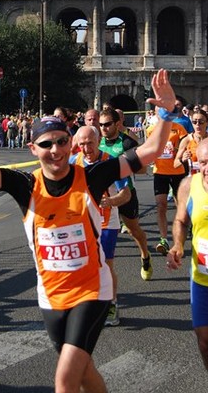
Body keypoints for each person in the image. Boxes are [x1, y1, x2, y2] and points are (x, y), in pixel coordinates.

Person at [0, 69, 177, 393]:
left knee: (65, 379)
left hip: (92, 290)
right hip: (51, 297)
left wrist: (166, 113)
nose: (54, 149)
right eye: (46, 144)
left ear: (70, 144)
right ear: (33, 148)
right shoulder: (24, 186)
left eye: (60, 142)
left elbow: (150, 151)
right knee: (84, 372)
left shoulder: (94, 176)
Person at [167, 137, 208, 393]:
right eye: (203, 162)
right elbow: (181, 221)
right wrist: (178, 245)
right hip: (202, 279)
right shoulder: (189, 185)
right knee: (207, 345)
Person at [69, 126, 131, 327]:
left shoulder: (113, 163)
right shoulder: (73, 162)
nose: (86, 148)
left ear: (98, 142)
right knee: (80, 265)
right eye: (82, 144)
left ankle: (111, 304)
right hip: (79, 223)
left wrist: (111, 201)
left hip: (106, 222)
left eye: (90, 143)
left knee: (105, 265)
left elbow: (127, 194)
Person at [98, 108, 153, 281]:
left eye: (107, 124)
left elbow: (144, 169)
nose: (104, 128)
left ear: (116, 124)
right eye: (101, 125)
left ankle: (145, 255)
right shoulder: (97, 142)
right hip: (104, 196)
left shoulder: (128, 143)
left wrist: (124, 164)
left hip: (125, 193)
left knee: (133, 230)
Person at [146, 111, 187, 256]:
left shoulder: (179, 128)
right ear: (156, 115)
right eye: (159, 113)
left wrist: (176, 151)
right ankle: (163, 239)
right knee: (161, 206)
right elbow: (148, 148)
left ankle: (180, 236)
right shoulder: (151, 130)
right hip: (160, 172)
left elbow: (185, 146)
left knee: (180, 206)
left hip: (177, 172)